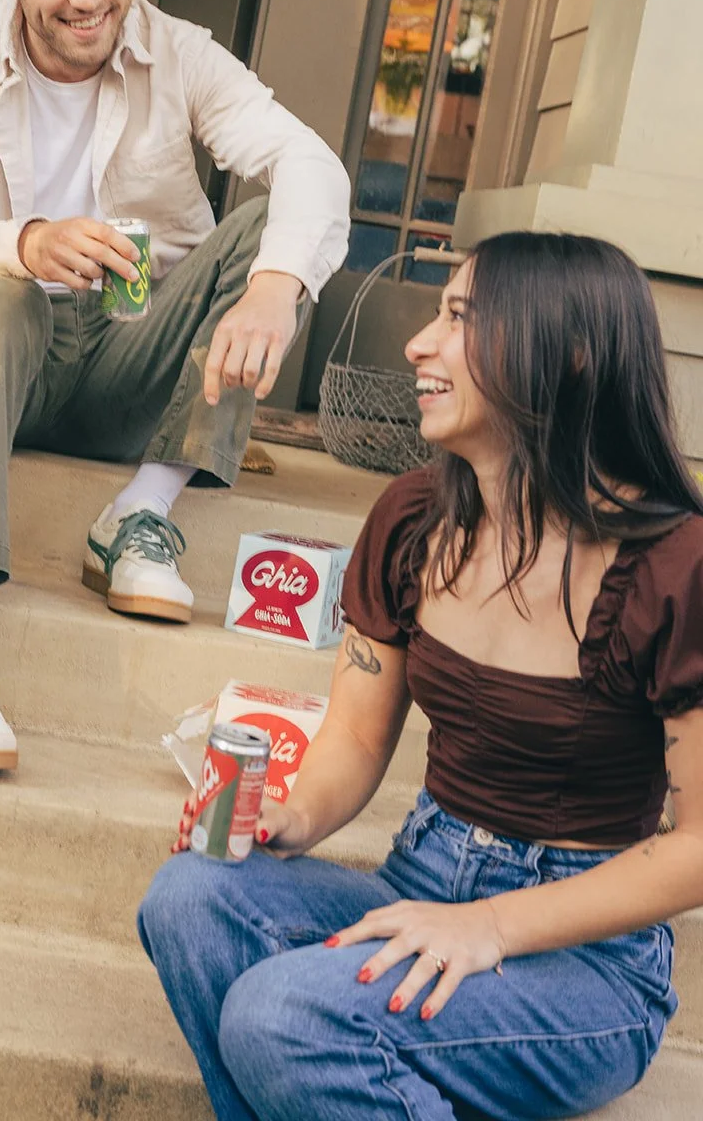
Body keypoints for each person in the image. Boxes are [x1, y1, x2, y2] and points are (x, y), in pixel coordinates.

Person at [139, 231, 703, 1121]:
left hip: (583, 961)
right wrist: (294, 813)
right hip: (421, 881)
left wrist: (488, 927)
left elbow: (699, 845)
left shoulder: (676, 567)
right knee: (191, 896)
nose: (418, 344)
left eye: (460, 319)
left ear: (569, 354)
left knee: (284, 1013)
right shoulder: (414, 518)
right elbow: (357, 737)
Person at [0, 0, 350, 772]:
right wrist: (25, 243)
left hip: (128, 355)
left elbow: (310, 165)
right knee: (0, 294)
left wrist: (275, 288)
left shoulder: (181, 54)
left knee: (268, 236)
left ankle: (143, 510)